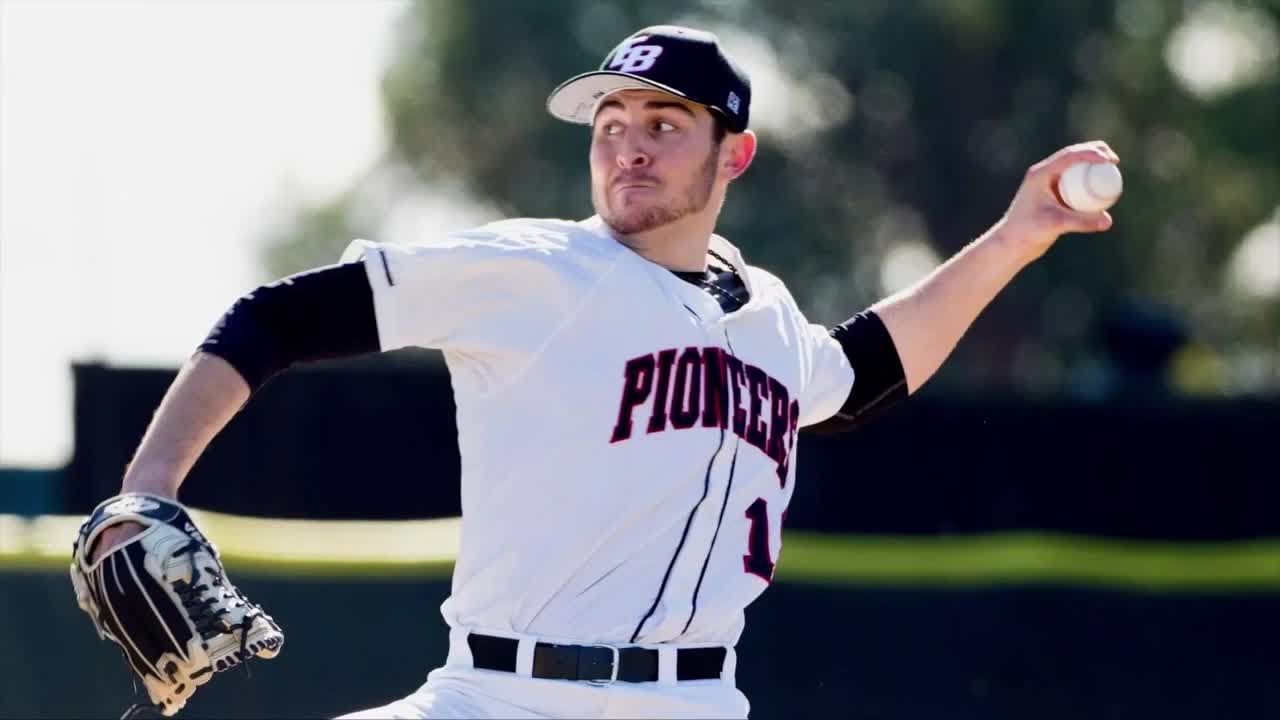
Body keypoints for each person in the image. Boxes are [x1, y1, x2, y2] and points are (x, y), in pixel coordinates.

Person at [86, 24, 1118, 720]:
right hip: (499, 698)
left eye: (664, 126)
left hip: (694, 702)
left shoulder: (764, 316)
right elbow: (276, 318)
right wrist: (147, 491)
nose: (629, 148)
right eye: (612, 126)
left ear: (734, 155)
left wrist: (1017, 237)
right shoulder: (535, 271)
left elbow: (864, 368)